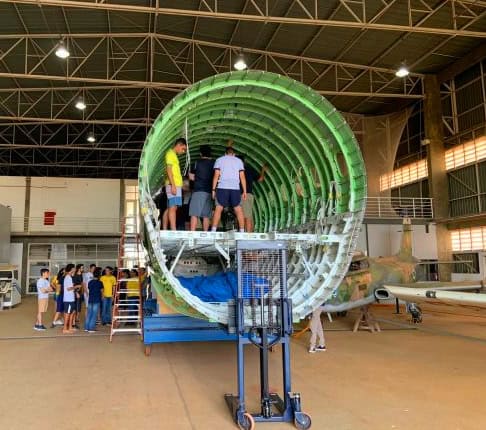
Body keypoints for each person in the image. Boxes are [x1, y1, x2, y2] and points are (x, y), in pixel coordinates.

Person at [211, 146, 247, 232]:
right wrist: (245, 191)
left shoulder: (219, 160)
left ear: (225, 153)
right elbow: (242, 177)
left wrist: (213, 190)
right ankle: (242, 231)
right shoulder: (239, 161)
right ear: (234, 154)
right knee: (238, 209)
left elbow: (216, 175)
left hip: (222, 187)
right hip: (235, 188)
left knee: (218, 208)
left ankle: (213, 230)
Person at [162, 137, 187, 230]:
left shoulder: (174, 155)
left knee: (171, 208)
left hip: (176, 184)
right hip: (173, 184)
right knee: (173, 207)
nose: (183, 151)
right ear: (178, 145)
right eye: (183, 149)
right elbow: (169, 170)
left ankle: (165, 228)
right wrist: (173, 185)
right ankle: (173, 229)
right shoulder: (170, 154)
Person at [188, 145, 214, 231]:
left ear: (200, 153)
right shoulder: (214, 164)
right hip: (209, 191)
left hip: (198, 190)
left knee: (194, 213)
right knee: (206, 215)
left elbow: (191, 177)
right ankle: (205, 233)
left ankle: (192, 233)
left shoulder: (196, 163)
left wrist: (197, 178)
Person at [240, 156, 267, 232]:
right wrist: (263, 170)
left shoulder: (236, 170)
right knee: (249, 215)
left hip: (243, 195)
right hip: (250, 195)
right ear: (244, 162)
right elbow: (260, 179)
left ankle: (247, 234)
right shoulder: (250, 169)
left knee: (246, 216)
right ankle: (250, 232)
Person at [85, 267, 103, 333]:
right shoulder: (100, 283)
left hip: (90, 299)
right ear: (99, 276)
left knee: (89, 313)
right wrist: (102, 297)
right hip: (96, 300)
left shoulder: (90, 282)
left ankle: (86, 327)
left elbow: (89, 289)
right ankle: (91, 328)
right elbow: (101, 291)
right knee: (94, 314)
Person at [62, 264, 76, 334]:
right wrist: (76, 287)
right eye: (74, 268)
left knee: (72, 312)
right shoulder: (68, 277)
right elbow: (68, 288)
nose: (75, 269)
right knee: (67, 313)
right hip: (68, 299)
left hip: (71, 298)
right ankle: (65, 328)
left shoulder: (70, 277)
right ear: (71, 269)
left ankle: (70, 327)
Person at [72, 264, 84, 328]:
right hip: (75, 293)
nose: (83, 269)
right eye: (82, 268)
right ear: (79, 268)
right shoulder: (75, 276)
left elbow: (81, 284)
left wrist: (82, 291)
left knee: (79, 305)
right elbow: (73, 285)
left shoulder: (81, 275)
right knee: (75, 306)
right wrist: (76, 292)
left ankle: (77, 318)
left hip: (80, 292)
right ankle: (73, 320)